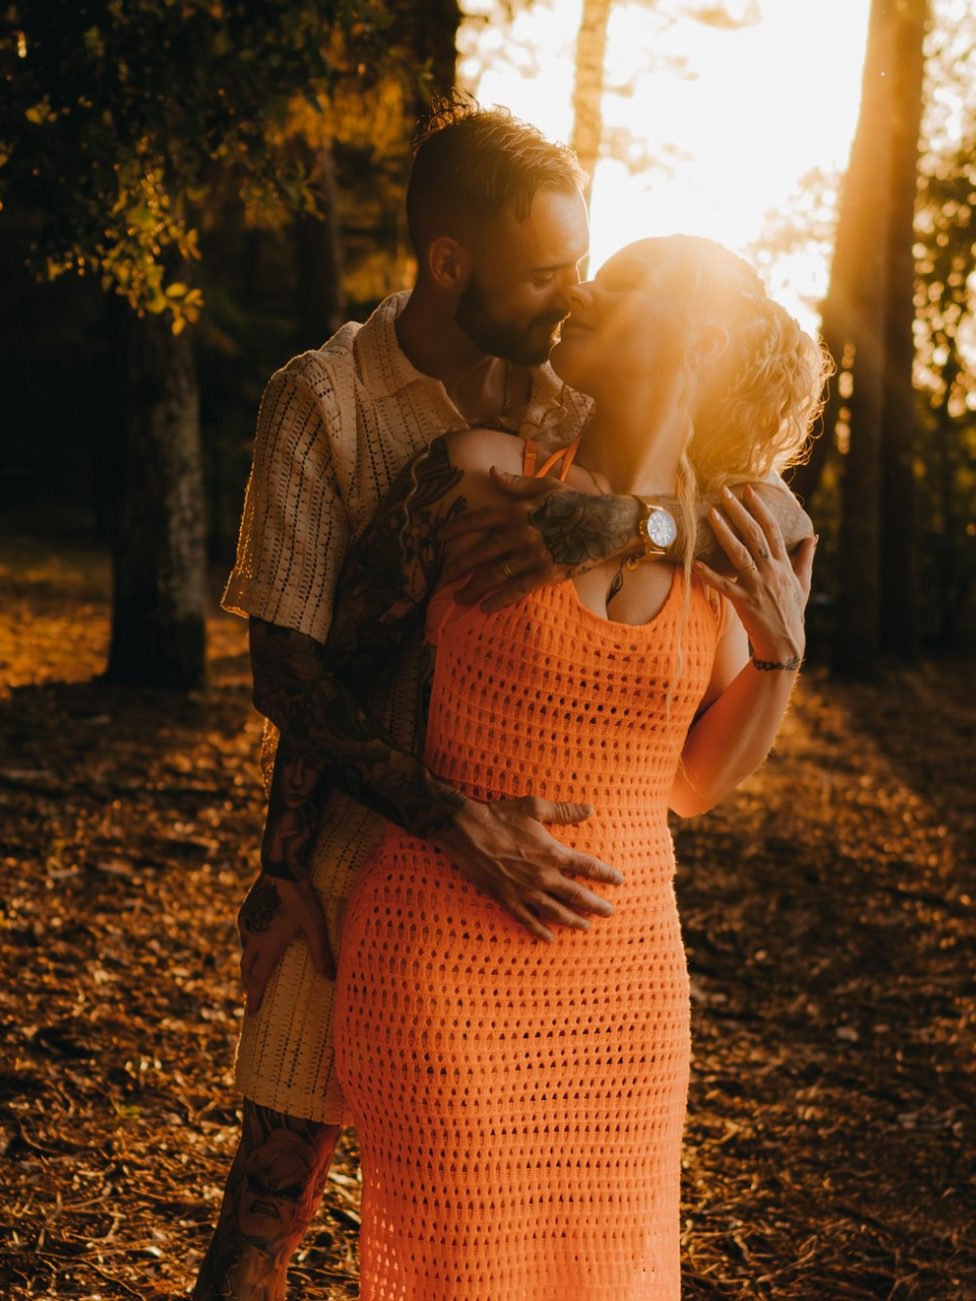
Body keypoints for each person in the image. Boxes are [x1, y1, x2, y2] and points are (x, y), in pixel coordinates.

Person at [192, 104, 810, 1299]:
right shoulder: (333, 404)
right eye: (553, 273)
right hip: (371, 837)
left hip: (587, 940)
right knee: (270, 1202)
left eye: (588, 270)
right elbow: (294, 670)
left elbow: (687, 476)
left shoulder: (562, 401)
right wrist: (288, 863)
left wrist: (643, 527)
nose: (573, 296)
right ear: (451, 264)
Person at [328, 235, 825, 1298]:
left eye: (631, 279)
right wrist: (340, 849)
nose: (591, 283)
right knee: (460, 1271)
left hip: (626, 985)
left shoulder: (739, 539)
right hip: (440, 951)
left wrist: (782, 648)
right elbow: (318, 677)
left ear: (699, 340)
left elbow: (693, 785)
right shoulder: (474, 474)